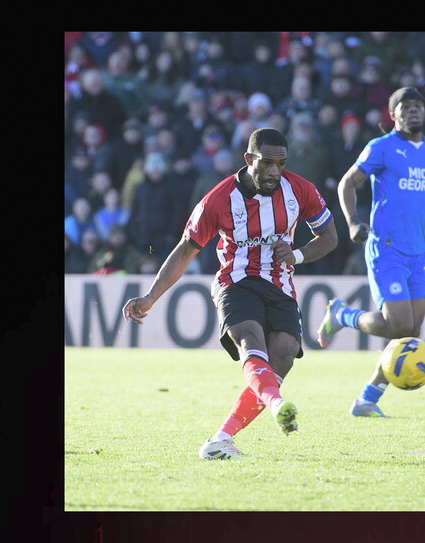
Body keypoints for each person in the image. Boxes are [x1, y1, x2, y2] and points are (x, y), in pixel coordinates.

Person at [122, 128, 338, 460]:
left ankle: (220, 440)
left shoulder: (299, 189)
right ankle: (276, 403)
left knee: (283, 355)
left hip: (280, 284)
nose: (275, 171)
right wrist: (151, 296)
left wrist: (297, 255)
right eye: (267, 163)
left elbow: (330, 237)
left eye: (281, 164)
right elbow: (185, 251)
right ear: (249, 158)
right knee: (251, 341)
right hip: (235, 281)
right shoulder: (219, 198)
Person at [314, 87, 425, 418]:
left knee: (411, 332)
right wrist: (352, 222)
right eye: (405, 106)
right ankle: (342, 316)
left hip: (418, 253)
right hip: (387, 247)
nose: (413, 110)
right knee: (398, 325)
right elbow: (347, 183)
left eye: (418, 105)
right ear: (392, 114)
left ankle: (367, 399)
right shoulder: (381, 147)